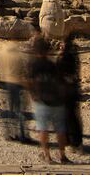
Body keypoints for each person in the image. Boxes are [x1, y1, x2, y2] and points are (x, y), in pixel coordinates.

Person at [26, 36, 68, 164]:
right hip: (57, 99)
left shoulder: (32, 65)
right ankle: (62, 155)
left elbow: (29, 81)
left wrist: (32, 93)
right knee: (60, 129)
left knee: (43, 129)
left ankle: (47, 156)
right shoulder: (52, 64)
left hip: (42, 99)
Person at [0, 41, 27, 142]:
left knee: (10, 109)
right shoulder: (19, 57)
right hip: (16, 83)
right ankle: (20, 133)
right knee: (18, 111)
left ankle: (10, 133)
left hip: (7, 83)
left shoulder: (4, 55)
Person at [59, 34, 83, 153]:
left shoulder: (65, 57)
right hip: (72, 89)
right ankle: (74, 142)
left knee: (68, 117)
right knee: (72, 117)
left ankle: (72, 142)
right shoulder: (74, 55)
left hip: (66, 90)